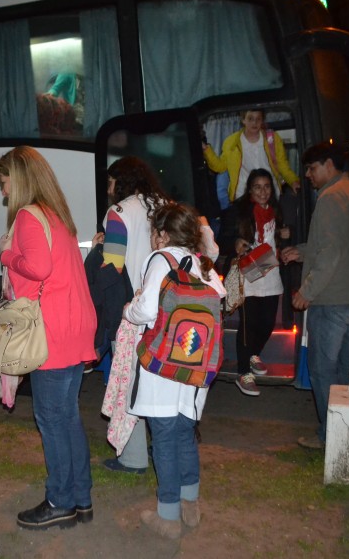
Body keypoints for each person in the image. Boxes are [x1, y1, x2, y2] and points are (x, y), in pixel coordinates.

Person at [0, 146, 97, 530]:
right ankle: (80, 498)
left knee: (51, 419)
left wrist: (7, 256)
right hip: (73, 324)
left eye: (4, 184)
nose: (3, 193)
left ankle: (60, 501)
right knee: (67, 417)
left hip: (49, 330)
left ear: (17, 179)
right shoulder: (57, 214)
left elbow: (37, 267)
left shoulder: (27, 216)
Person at [124, 202, 225, 539]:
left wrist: (130, 309)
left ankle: (167, 517)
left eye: (154, 231)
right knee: (184, 434)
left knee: (164, 437)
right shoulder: (202, 264)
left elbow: (147, 309)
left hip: (163, 367)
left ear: (163, 234)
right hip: (195, 364)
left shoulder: (161, 259)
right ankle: (190, 505)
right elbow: (220, 295)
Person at [94, 156, 168, 475]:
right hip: (167, 310)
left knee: (128, 383)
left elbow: (112, 268)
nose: (108, 188)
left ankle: (134, 456)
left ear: (121, 182)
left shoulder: (119, 213)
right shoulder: (166, 206)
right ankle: (162, 448)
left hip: (132, 312)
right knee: (158, 384)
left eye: (111, 181)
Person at [281, 143, 349, 450]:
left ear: (328, 164)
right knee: (342, 370)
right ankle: (343, 429)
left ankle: (330, 435)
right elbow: (336, 244)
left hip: (330, 298)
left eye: (312, 168)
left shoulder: (330, 197)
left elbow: (330, 252)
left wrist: (306, 291)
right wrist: (300, 251)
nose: (309, 176)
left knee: (322, 369)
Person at [232, 169, 289, 397]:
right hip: (250, 273)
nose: (263, 191)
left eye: (267, 186)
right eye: (258, 187)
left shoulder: (278, 212)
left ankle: (254, 354)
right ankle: (243, 373)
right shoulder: (241, 211)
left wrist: (287, 235)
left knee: (267, 324)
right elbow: (225, 236)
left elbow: (282, 241)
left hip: (271, 272)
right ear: (250, 190)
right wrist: (235, 242)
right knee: (248, 325)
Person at [203, 109, 299, 203]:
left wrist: (293, 181)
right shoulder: (231, 142)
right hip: (243, 198)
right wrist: (206, 150)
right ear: (243, 120)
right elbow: (220, 167)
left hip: (268, 196)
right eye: (250, 119)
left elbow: (283, 165)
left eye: (258, 119)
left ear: (262, 120)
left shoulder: (273, 139)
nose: (254, 122)